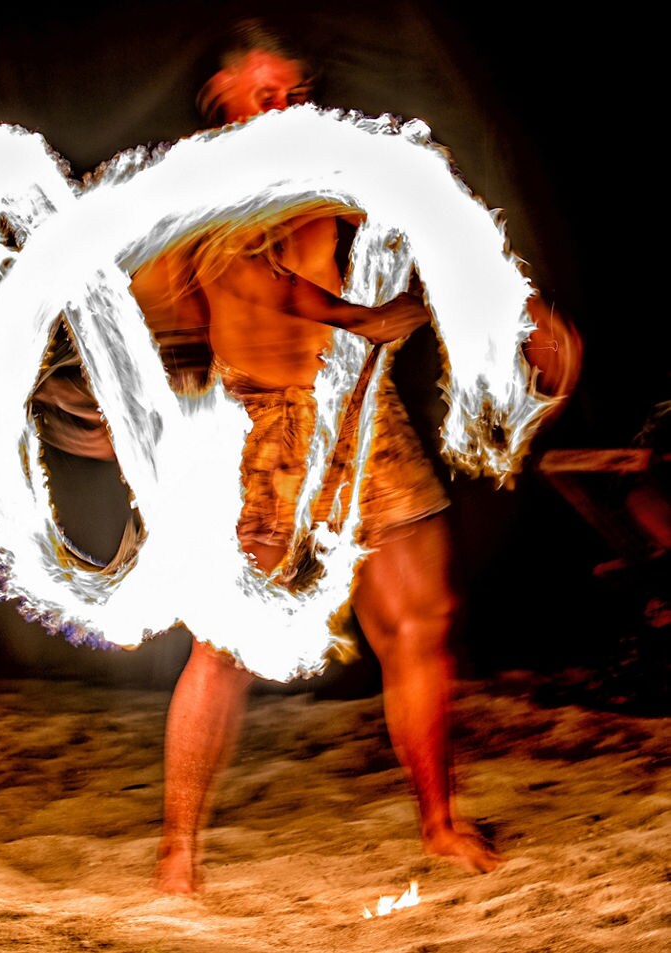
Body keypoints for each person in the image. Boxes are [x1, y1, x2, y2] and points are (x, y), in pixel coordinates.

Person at [33, 20, 579, 892]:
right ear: (222, 97)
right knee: (225, 644)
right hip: (260, 433)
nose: (285, 105)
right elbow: (246, 277)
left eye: (294, 91)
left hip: (359, 408)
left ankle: (439, 823)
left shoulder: (334, 168)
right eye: (265, 93)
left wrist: (516, 305)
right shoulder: (199, 189)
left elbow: (434, 229)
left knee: (421, 621)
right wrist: (357, 317)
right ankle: (179, 853)